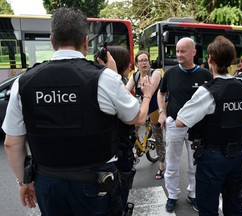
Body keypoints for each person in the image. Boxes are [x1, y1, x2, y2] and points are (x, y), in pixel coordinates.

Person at [2, 7, 153, 216]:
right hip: (97, 184)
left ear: (52, 41)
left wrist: (24, 181)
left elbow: (12, 143)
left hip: (49, 183)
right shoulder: (105, 78)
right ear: (85, 41)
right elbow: (135, 117)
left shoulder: (24, 82)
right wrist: (121, 79)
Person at [176, 35, 242, 216]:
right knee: (234, 204)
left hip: (213, 157)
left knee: (208, 207)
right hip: (239, 156)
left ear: (210, 59)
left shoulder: (208, 91)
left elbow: (180, 121)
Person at [157, 37, 212, 212]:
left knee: (195, 163)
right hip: (174, 124)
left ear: (193, 52)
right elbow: (161, 93)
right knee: (172, 163)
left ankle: (193, 194)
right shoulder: (171, 73)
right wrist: (162, 112)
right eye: (177, 50)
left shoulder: (205, 75)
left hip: (198, 127)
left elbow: (212, 98)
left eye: (183, 51)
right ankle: (172, 195)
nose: (179, 54)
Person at [97, 45, 136, 211]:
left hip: (104, 156)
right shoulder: (114, 84)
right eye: (127, 63)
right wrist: (147, 96)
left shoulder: (96, 83)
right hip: (118, 156)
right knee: (117, 202)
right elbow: (136, 117)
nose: (131, 66)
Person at [126, 50, 166, 180]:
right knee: (130, 130)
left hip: (155, 109)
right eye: (141, 60)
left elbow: (151, 90)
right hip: (141, 109)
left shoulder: (155, 73)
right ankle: (138, 150)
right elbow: (126, 92)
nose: (144, 62)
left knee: (158, 136)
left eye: (146, 60)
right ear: (137, 64)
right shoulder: (135, 76)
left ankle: (161, 165)